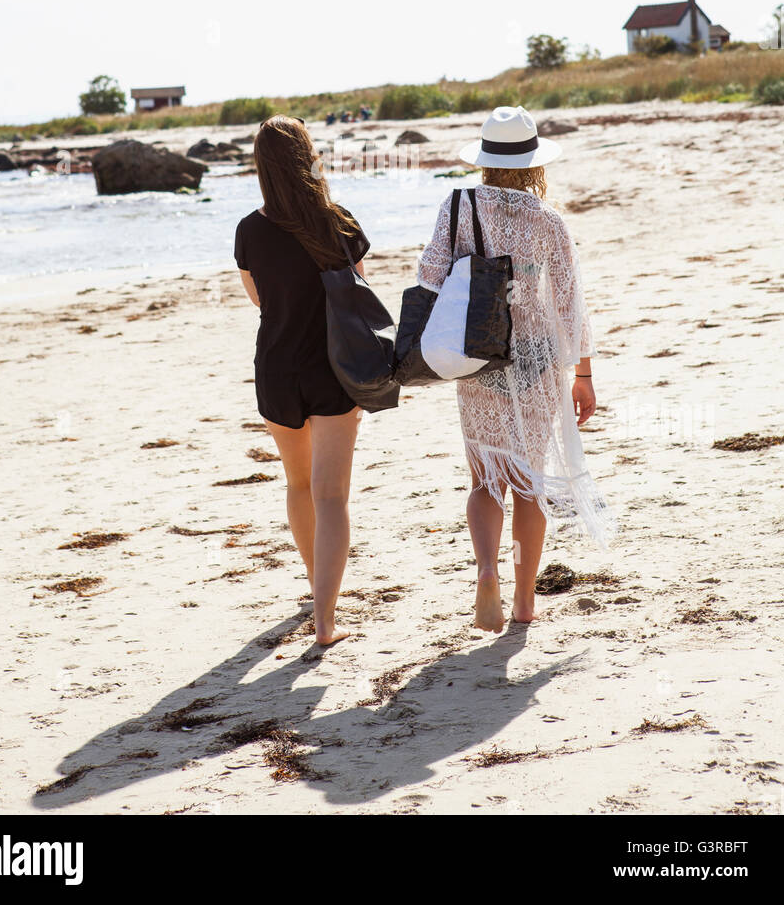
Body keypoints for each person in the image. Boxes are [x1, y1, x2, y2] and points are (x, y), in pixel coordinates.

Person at [417, 106, 616, 633]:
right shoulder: (547, 220)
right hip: (536, 359)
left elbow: (429, 275)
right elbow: (572, 304)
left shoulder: (458, 207)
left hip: (477, 355)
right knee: (528, 483)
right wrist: (585, 375)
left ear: (484, 161)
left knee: (486, 478)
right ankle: (526, 603)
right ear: (532, 163)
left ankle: (487, 572)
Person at [233, 115, 370, 646]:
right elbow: (360, 295)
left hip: (276, 369)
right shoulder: (336, 220)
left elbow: (259, 300)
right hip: (335, 368)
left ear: (261, 166)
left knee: (297, 484)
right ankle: (326, 618)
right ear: (308, 157)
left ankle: (318, 588)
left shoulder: (249, 229)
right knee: (332, 496)